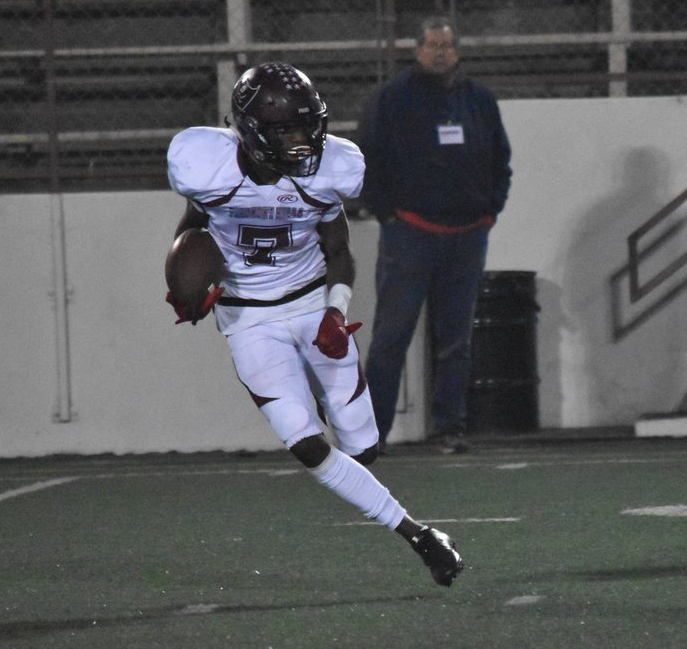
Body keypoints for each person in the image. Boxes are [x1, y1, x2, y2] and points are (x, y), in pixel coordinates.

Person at [165, 62, 464, 587]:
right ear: (251, 131)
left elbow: (339, 251)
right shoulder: (207, 166)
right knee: (305, 444)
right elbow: (194, 224)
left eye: (307, 125)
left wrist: (335, 312)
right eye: (286, 130)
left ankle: (335, 405)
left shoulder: (330, 171)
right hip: (250, 320)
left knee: (363, 449)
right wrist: (188, 282)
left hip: (310, 305)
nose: (302, 141)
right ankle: (419, 535)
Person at [360, 16, 513, 455]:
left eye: (447, 45)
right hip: (409, 235)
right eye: (432, 45)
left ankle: (449, 428)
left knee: (456, 341)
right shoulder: (392, 98)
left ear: (457, 50)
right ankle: (369, 434)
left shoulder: (479, 100)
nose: (440, 53)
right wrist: (388, 215)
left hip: (467, 237)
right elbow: (366, 157)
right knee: (391, 339)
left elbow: (500, 160)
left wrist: (489, 211)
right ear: (418, 50)